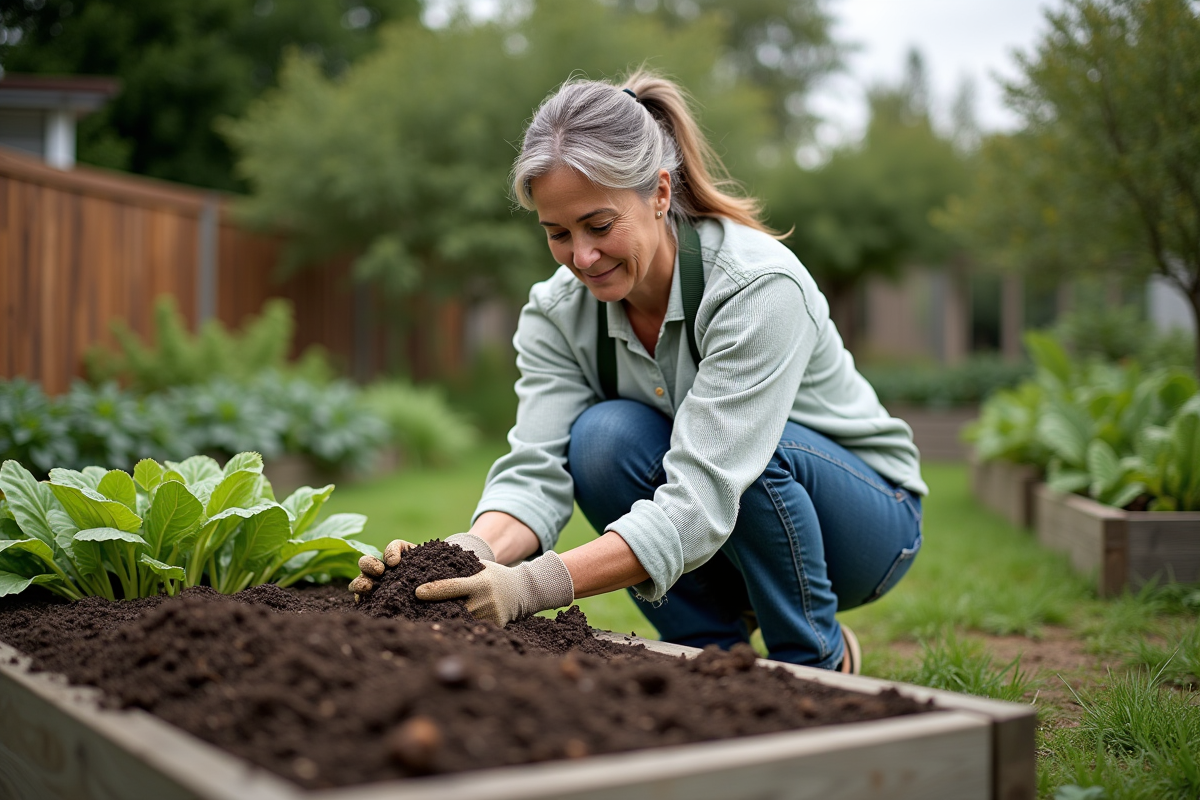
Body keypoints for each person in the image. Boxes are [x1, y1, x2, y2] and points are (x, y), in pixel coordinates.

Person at [351, 70, 926, 673]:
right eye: (558, 233)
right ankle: (715, 659)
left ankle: (817, 660)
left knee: (752, 455)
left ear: (658, 192)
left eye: (599, 226)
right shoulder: (557, 314)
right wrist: (461, 558)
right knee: (601, 437)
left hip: (863, 529)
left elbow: (708, 488)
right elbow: (535, 471)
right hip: (727, 527)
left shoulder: (756, 288)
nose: (582, 257)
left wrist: (532, 586)